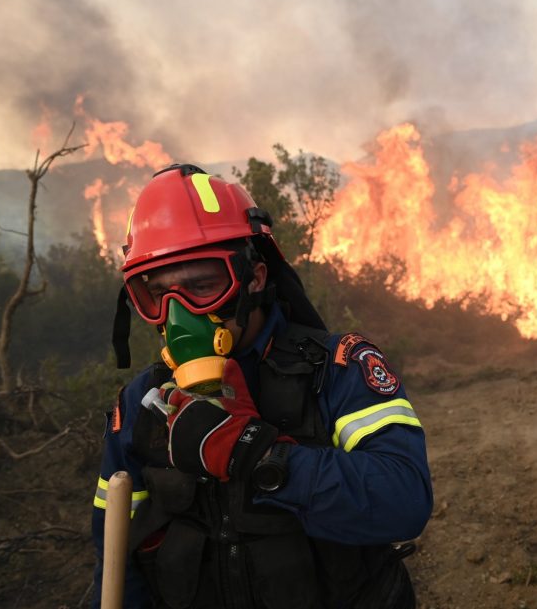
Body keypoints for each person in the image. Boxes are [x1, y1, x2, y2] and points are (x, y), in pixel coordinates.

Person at [91, 163, 433, 608]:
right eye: (157, 295)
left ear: (254, 278)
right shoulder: (141, 403)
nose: (179, 315)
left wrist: (255, 453)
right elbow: (115, 556)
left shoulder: (337, 368)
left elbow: (404, 502)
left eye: (202, 286)